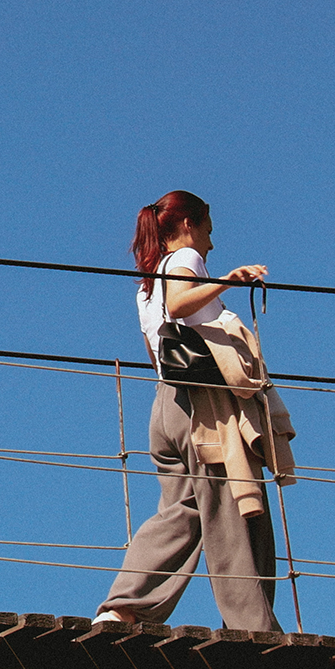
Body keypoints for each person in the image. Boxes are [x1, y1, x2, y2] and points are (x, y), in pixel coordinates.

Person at [96, 190, 286, 632]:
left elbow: (156, 345)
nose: (210, 244)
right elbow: (181, 301)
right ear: (187, 226)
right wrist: (230, 280)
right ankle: (253, 627)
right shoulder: (185, 262)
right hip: (203, 407)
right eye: (207, 231)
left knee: (181, 510)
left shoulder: (146, 283)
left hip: (166, 406)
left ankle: (123, 605)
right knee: (235, 509)